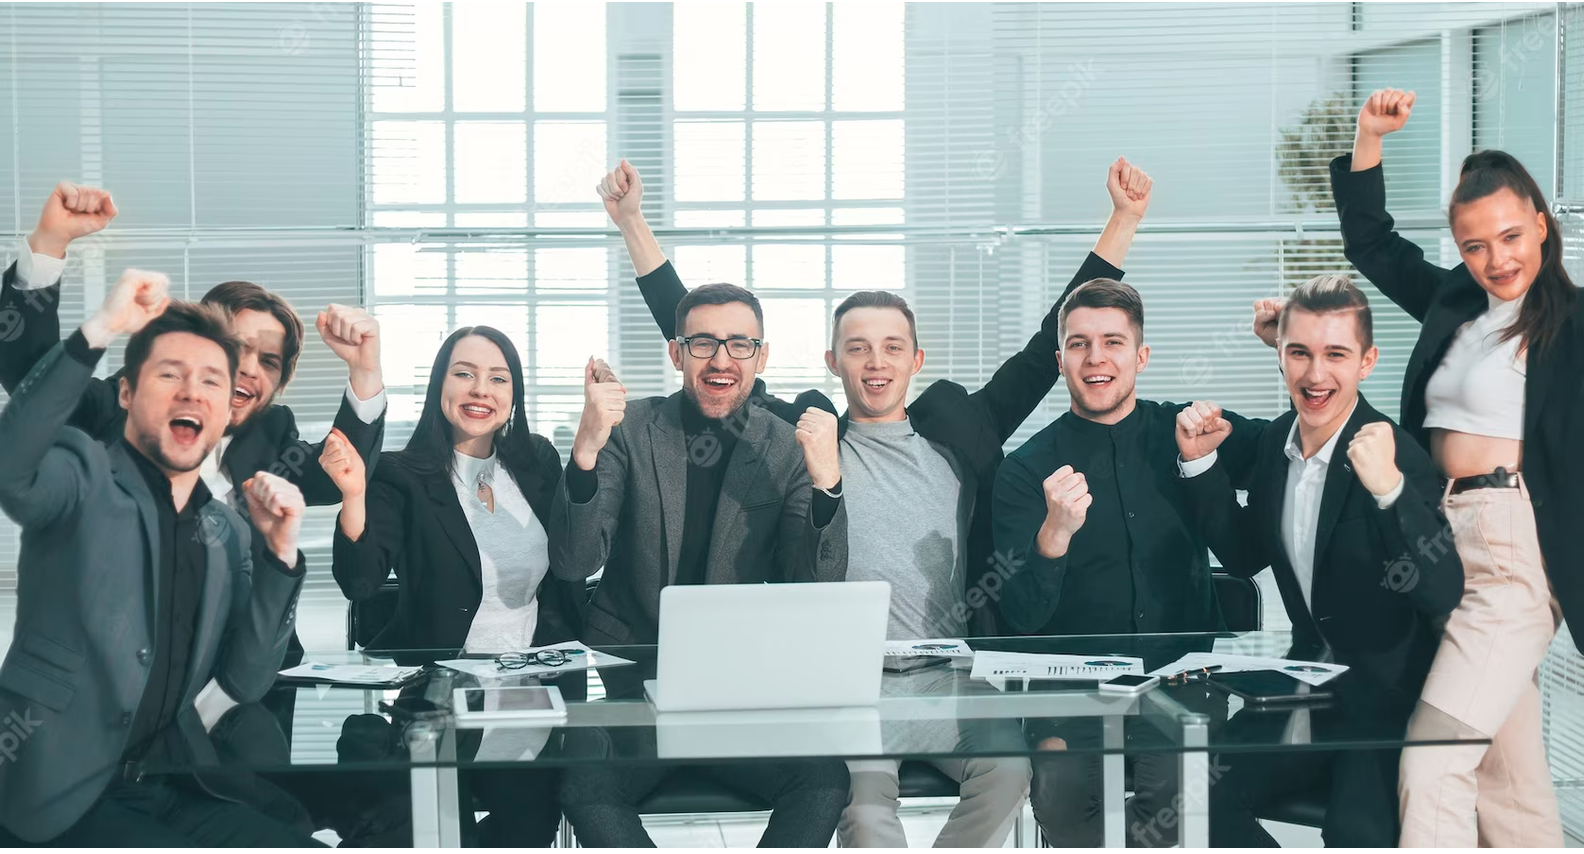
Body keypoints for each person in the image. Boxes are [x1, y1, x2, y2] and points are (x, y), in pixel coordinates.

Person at [596, 156, 1153, 847]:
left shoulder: (963, 431)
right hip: (848, 684)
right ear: (833, 362)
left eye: (892, 347)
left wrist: (1122, 222)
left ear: (916, 360)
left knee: (1011, 775)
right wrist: (633, 223)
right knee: (861, 814)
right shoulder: (800, 438)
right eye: (857, 349)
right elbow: (713, 353)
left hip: (952, 679)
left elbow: (1046, 351)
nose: (876, 362)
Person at [1332, 88, 1584, 847]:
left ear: (1540, 222)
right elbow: (1371, 244)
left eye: (1509, 236)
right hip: (1431, 538)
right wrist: (1370, 138)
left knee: (1435, 760)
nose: (1497, 260)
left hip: (1512, 553)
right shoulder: (1454, 302)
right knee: (1508, 782)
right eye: (1475, 246)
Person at [0, 181, 389, 723]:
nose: (248, 368)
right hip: (110, 687)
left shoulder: (271, 435)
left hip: (244, 689)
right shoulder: (118, 405)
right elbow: (32, 379)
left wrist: (365, 370)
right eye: (236, 349)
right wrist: (49, 246)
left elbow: (340, 469)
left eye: (269, 361)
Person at [0, 271, 316, 846]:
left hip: (172, 779)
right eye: (171, 374)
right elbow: (12, 466)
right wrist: (102, 327)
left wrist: (280, 552)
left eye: (212, 381)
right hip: (57, 790)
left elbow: (246, 681)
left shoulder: (227, 531)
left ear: (228, 410)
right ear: (125, 392)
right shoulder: (82, 475)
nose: (193, 392)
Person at [551, 283, 851, 847]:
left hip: (739, 694)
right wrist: (586, 450)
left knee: (823, 781)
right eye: (703, 343)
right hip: (636, 689)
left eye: (740, 344)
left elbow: (816, 584)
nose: (721, 359)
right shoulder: (628, 430)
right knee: (584, 787)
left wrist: (827, 483)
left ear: (761, 357)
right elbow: (574, 561)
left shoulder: (786, 446)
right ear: (676, 353)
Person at [1175, 275, 1465, 847]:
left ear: (1367, 362)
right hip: (1305, 692)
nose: (1315, 374)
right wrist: (1202, 467)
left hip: (1384, 707)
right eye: (1299, 353)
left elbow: (1442, 591)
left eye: (1336, 354)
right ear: (1280, 356)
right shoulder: (1274, 445)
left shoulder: (1397, 453)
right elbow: (1243, 554)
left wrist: (1390, 492)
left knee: (1356, 832)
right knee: (1188, 797)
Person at [990, 277, 1265, 846]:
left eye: (1113, 342)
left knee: (1176, 799)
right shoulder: (1023, 469)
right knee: (1060, 798)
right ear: (1061, 360)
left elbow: (1252, 541)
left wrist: (1202, 468)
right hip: (1068, 692)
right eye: (1079, 343)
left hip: (1183, 682)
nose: (1096, 357)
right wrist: (1053, 534)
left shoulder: (1189, 431)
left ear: (1141, 356)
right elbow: (1020, 615)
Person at [322, 325, 586, 845]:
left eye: (498, 378)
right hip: (441, 696)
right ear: (439, 385)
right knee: (440, 830)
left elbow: (572, 558)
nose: (480, 390)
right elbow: (359, 581)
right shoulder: (400, 473)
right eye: (464, 374)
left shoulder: (536, 461)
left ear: (514, 394)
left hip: (531, 690)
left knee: (530, 827)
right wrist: (353, 495)